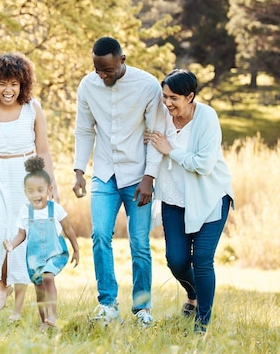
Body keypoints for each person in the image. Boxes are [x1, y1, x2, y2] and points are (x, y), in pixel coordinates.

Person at [72, 37, 165, 327]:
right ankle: (108, 304)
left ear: (122, 59)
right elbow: (85, 130)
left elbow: (156, 133)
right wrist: (78, 170)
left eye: (108, 71)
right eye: (98, 69)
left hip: (138, 176)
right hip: (104, 173)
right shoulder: (88, 85)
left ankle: (142, 310)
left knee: (139, 243)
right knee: (100, 235)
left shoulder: (148, 86)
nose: (102, 76)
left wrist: (149, 177)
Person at [0, 52, 58, 318]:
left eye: (14, 84)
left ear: (23, 84)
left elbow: (44, 151)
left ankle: (16, 289)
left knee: (21, 234)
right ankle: (1, 284)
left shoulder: (33, 108)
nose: (8, 90)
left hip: (26, 174)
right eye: (3, 83)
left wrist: (52, 187)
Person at [148, 69, 234, 335]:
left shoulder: (206, 117)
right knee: (176, 260)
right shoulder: (163, 116)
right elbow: (152, 141)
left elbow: (205, 164)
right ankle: (193, 295)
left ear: (191, 96)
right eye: (164, 97)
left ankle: (202, 323)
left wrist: (171, 151)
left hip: (210, 198)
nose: (168, 103)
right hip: (173, 199)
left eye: (174, 98)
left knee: (203, 259)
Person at [3, 156, 80, 326]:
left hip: (55, 253)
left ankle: (53, 314)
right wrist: (11, 245)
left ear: (49, 190)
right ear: (25, 192)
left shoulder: (55, 209)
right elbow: (21, 235)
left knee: (47, 277)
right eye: (31, 191)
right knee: (39, 291)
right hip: (34, 258)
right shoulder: (25, 211)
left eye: (40, 190)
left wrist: (76, 249)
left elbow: (69, 229)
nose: (36, 195)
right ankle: (44, 322)